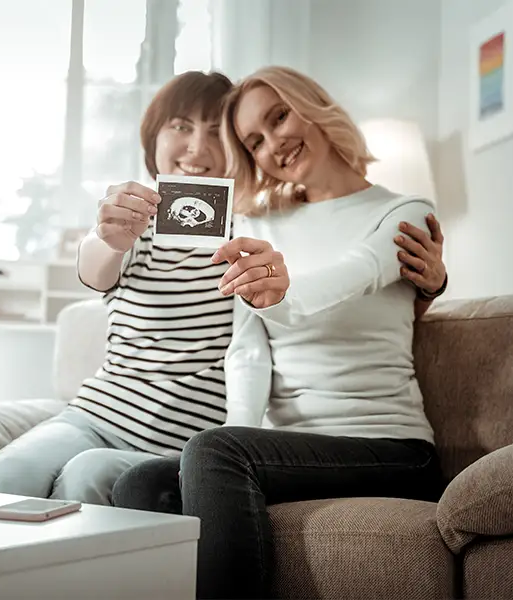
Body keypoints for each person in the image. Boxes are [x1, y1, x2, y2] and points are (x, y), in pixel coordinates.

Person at [0, 70, 447, 507]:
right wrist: (105, 238)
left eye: (216, 132)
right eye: (180, 126)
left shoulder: (253, 231)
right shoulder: (139, 224)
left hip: (189, 436)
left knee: (85, 478)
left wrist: (427, 288)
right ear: (153, 138)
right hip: (100, 414)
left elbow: (339, 283)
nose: (197, 148)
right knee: (7, 474)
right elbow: (95, 271)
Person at [111, 66, 448, 600]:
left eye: (279, 117)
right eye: (255, 141)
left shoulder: (404, 211)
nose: (275, 143)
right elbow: (247, 352)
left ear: (312, 105)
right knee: (139, 483)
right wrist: (226, 441)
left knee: (214, 454)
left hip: (390, 448)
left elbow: (359, 271)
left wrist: (282, 292)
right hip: (290, 449)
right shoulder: (260, 225)